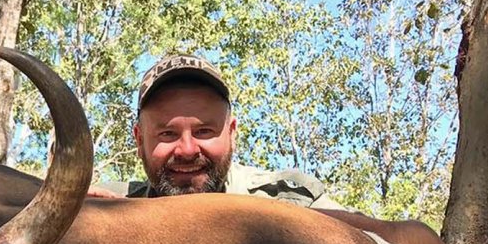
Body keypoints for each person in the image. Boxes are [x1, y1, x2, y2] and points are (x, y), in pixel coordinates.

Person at [90, 53, 336, 205]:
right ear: (139, 140)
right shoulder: (115, 204)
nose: (187, 150)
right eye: (168, 134)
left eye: (204, 131)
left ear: (232, 133)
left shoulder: (290, 201)